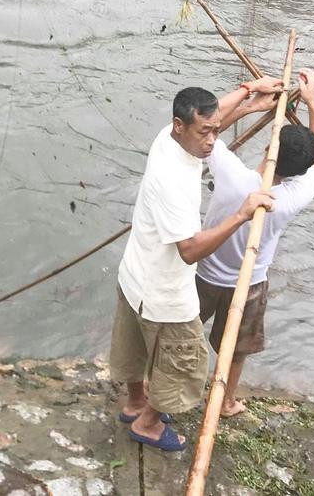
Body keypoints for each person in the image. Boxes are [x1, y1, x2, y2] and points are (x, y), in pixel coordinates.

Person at [110, 79, 282, 452]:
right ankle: (148, 423)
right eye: (204, 133)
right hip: (165, 292)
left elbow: (213, 114)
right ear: (179, 125)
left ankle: (135, 402)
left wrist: (251, 94)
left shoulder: (166, 141)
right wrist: (241, 214)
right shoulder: (171, 181)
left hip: (134, 275)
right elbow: (189, 250)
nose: (211, 141)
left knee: (135, 348)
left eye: (215, 132)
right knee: (185, 363)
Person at [196, 69, 314, 418]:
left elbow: (208, 130)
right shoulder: (293, 196)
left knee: (182, 329)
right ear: (300, 170)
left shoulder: (233, 175)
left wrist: (252, 103)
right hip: (250, 281)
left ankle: (166, 384)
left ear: (269, 147)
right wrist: (312, 104)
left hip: (203, 271)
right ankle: (225, 400)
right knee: (236, 348)